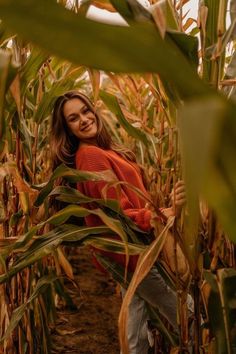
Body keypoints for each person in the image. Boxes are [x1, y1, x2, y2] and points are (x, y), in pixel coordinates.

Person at [50, 90, 188, 354]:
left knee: (134, 323)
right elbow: (117, 214)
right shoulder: (90, 156)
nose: (84, 119)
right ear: (66, 128)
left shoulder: (102, 150)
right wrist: (167, 212)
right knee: (187, 314)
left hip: (127, 251)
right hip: (132, 252)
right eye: (73, 118)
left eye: (86, 111)